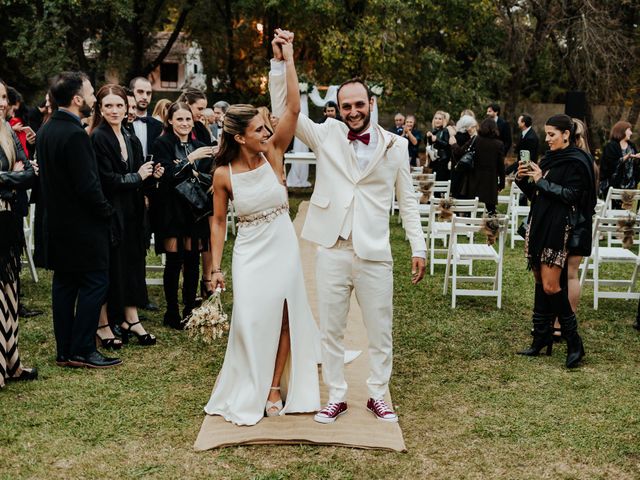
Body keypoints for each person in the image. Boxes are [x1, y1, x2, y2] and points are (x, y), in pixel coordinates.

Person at [270, 29, 426, 424]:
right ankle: (336, 394)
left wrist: (419, 246)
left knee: (381, 331)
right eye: (346, 106)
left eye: (359, 104)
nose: (353, 111)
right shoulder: (326, 135)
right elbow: (284, 109)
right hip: (333, 249)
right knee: (332, 331)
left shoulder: (397, 145)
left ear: (371, 104)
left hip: (375, 252)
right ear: (337, 108)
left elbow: (407, 200)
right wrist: (279, 62)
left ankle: (378, 394)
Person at [204, 33, 320, 425]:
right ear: (239, 137)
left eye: (265, 127)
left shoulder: (274, 153)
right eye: (258, 130)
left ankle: (273, 386)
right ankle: (249, 381)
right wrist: (215, 268)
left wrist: (286, 58)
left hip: (282, 243)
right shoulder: (223, 174)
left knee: (286, 313)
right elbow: (218, 221)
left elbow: (292, 105)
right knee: (251, 316)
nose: (267, 133)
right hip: (249, 249)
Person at [37, 71, 121, 368]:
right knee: (96, 283)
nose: (92, 99)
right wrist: (106, 212)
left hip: (57, 224)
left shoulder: (48, 129)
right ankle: (83, 349)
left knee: (64, 286)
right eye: (89, 93)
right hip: (83, 227)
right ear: (76, 99)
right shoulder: (74, 134)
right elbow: (88, 186)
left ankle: (65, 351)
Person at [515, 114, 595, 369]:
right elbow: (538, 194)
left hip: (558, 226)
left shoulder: (577, 161)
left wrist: (542, 181)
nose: (547, 139)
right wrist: (523, 180)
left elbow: (572, 196)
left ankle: (574, 342)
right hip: (539, 222)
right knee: (540, 280)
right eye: (546, 134)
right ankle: (541, 337)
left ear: (566, 135)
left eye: (552, 134)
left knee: (552, 285)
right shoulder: (549, 159)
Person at [90, 84, 164, 347]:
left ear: (126, 107)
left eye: (119, 105)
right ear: (100, 108)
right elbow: (105, 180)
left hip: (132, 213)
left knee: (133, 265)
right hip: (110, 213)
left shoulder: (130, 136)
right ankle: (103, 325)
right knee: (111, 268)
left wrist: (150, 177)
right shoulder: (98, 138)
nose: (114, 110)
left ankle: (130, 319)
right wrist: (136, 176)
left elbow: (139, 178)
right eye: (108, 105)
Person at [151, 102, 214, 329]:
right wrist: (189, 160)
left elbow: (209, 178)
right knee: (174, 261)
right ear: (170, 121)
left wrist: (190, 168)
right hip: (171, 209)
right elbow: (166, 175)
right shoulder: (162, 143)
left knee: (192, 260)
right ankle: (172, 311)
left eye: (188, 119)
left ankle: (189, 309)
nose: (185, 123)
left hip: (194, 209)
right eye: (179, 119)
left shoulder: (201, 144)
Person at [0, 78, 38, 386]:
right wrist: (15, 175)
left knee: (11, 290)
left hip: (9, 217)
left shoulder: (10, 130)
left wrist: (13, 176)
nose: (1, 102)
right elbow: (20, 174)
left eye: (3, 97)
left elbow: (28, 172)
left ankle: (12, 361)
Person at [450, 118, 505, 214]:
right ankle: (491, 226)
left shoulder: (475, 140)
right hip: (490, 180)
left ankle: (467, 224)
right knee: (491, 209)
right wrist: (502, 183)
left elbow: (459, 152)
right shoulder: (499, 144)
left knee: (470, 207)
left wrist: (454, 144)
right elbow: (501, 166)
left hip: (473, 178)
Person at [599, 121, 640, 197]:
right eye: (629, 130)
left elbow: (635, 167)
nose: (631, 133)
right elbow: (609, 166)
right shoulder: (611, 146)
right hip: (613, 188)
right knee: (613, 208)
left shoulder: (632, 146)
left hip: (630, 189)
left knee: (628, 209)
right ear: (622, 131)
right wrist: (626, 157)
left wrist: (637, 158)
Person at [129, 76, 164, 159]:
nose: (145, 97)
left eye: (148, 93)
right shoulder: (121, 123)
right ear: (131, 92)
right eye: (140, 92)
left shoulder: (158, 125)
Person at [426, 110, 451, 180]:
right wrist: (428, 137)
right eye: (436, 118)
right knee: (434, 180)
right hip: (435, 160)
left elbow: (446, 144)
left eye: (440, 119)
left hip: (442, 160)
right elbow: (431, 145)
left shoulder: (445, 130)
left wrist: (436, 139)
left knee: (440, 180)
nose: (437, 120)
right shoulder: (434, 131)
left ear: (443, 121)